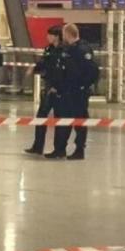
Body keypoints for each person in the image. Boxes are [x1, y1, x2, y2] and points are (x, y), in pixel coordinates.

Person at [47, 23, 98, 161]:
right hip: (66, 92)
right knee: (64, 121)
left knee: (79, 122)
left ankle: (79, 149)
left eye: (64, 34)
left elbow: (91, 72)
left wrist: (83, 86)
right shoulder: (68, 49)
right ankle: (60, 149)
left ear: (68, 34)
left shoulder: (82, 50)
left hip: (78, 93)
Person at [25, 25, 63, 155]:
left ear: (56, 36)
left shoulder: (63, 51)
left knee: (59, 118)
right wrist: (34, 68)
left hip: (59, 88)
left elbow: (62, 71)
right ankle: (38, 146)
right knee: (41, 115)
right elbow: (43, 63)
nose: (47, 37)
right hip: (48, 85)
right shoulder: (49, 49)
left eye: (50, 35)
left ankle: (59, 149)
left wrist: (57, 86)